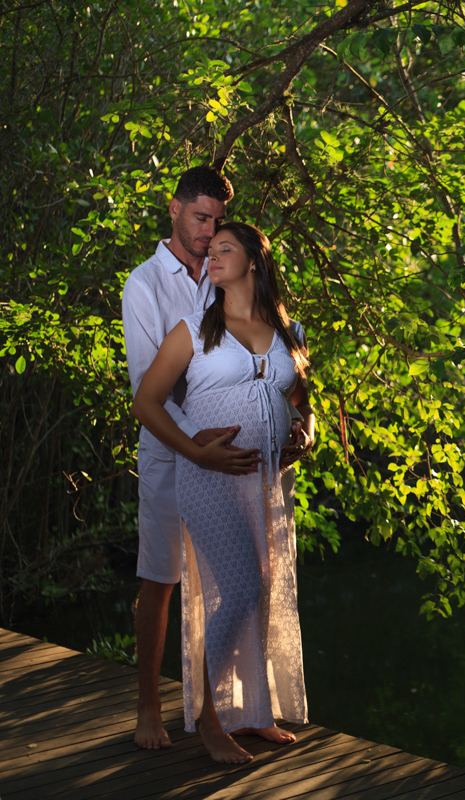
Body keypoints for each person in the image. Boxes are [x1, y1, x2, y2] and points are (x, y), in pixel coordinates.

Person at [132, 221, 314, 763]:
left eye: (224, 249)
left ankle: (252, 713)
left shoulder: (290, 332)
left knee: (262, 588)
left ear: (254, 261)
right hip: (209, 476)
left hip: (266, 484)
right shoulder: (194, 329)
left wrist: (306, 430)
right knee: (239, 588)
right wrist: (195, 451)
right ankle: (209, 719)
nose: (211, 257)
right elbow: (146, 402)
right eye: (209, 251)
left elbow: (306, 404)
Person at [122, 166, 263, 751]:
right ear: (174, 209)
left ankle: (228, 710)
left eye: (216, 220)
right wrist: (196, 445)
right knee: (161, 578)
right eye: (200, 217)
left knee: (231, 579)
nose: (208, 231)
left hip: (226, 457)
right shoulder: (145, 285)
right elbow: (147, 387)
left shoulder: (224, 271)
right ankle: (148, 708)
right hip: (169, 453)